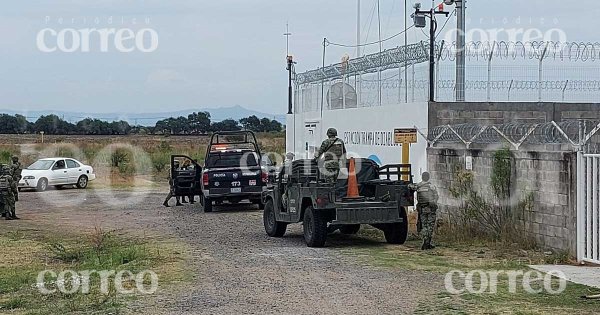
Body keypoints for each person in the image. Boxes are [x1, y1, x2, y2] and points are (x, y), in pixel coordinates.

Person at [409, 172, 439, 250]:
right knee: (430, 226)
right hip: (430, 209)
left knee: (424, 225)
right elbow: (436, 196)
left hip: (422, 208)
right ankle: (427, 243)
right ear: (428, 177)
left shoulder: (418, 186)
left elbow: (410, 186)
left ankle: (426, 242)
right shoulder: (431, 186)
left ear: (422, 177)